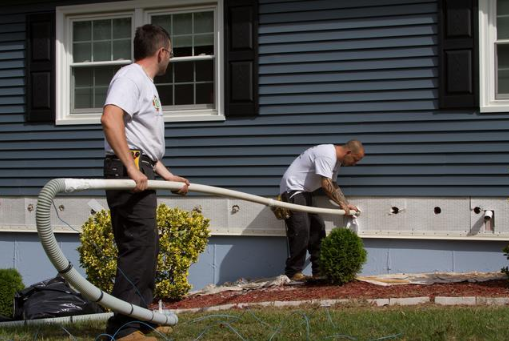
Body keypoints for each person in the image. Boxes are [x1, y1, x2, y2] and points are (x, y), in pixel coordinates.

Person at [101, 24, 189, 341]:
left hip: (140, 165)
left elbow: (142, 142)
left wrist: (165, 175)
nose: (170, 59)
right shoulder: (131, 77)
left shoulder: (145, 83)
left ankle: (140, 318)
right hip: (129, 169)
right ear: (161, 52)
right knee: (136, 246)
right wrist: (132, 168)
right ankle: (124, 329)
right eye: (171, 54)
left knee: (147, 247)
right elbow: (110, 118)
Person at [279, 140, 365, 282]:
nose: (354, 164)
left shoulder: (336, 161)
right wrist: (341, 204)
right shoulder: (327, 154)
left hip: (305, 191)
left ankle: (319, 272)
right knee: (301, 229)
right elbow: (325, 184)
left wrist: (346, 204)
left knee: (318, 229)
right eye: (355, 160)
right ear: (348, 152)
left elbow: (333, 184)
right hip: (292, 189)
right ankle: (293, 272)